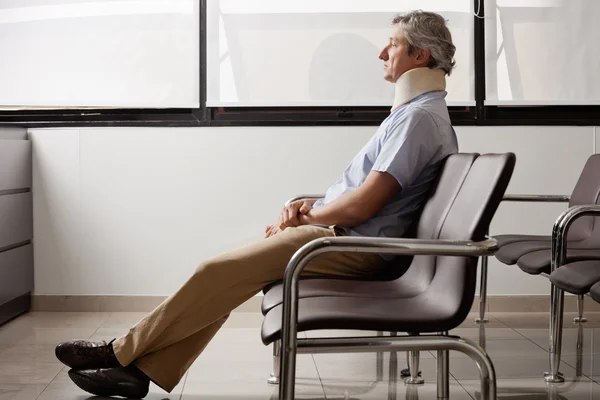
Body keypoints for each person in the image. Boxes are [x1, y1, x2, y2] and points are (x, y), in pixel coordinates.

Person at [55, 10, 458, 399]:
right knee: (227, 276)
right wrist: (308, 205)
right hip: (341, 235)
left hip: (353, 244)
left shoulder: (418, 119)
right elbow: (366, 195)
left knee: (216, 271)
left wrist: (308, 216)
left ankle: (119, 352)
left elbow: (364, 206)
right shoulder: (415, 114)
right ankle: (141, 372)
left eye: (392, 45)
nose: (381, 54)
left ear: (420, 56)